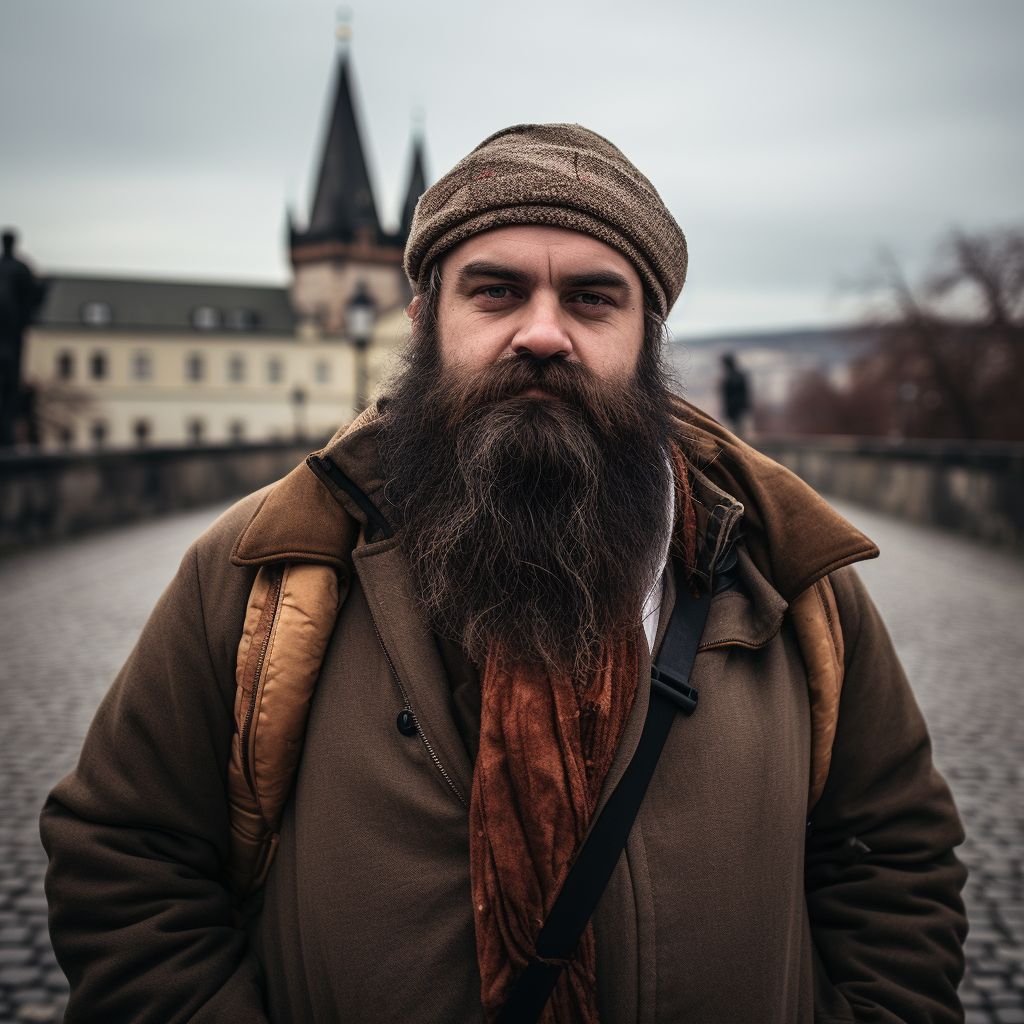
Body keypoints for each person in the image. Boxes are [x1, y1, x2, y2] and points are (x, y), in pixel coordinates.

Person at [41, 124, 967, 1024]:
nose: (543, 333)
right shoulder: (265, 565)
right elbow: (126, 858)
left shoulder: (789, 574)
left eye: (594, 299)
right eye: (495, 291)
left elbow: (893, 853)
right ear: (422, 322)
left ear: (651, 336)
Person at [0, 229, 46, 446]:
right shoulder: (20, 267)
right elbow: (34, 296)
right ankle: (5, 432)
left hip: (10, 332)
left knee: (10, 384)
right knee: (10, 383)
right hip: (12, 333)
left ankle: (6, 431)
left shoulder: (14, 268)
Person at [719, 351, 750, 435]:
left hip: (738, 408)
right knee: (735, 432)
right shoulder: (730, 378)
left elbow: (745, 393)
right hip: (734, 408)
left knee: (739, 432)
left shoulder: (734, 378)